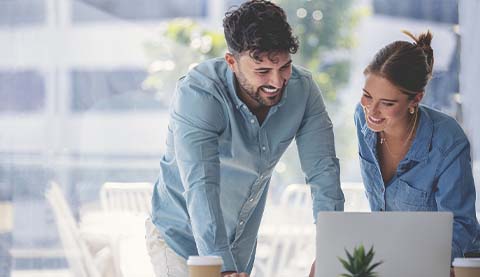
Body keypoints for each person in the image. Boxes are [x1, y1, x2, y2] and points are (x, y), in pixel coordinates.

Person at [145, 1, 344, 276]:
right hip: (180, 237)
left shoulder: (303, 91)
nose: (276, 81)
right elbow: (201, 184)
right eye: (262, 71)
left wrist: (331, 251)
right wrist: (221, 268)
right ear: (232, 62)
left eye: (284, 67)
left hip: (239, 243)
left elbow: (324, 172)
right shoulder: (198, 93)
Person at [354, 30, 479, 274]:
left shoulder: (447, 141)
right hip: (393, 261)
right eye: (368, 95)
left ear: (416, 100)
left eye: (387, 103)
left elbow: (460, 227)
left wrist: (419, 267)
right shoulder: (363, 119)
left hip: (452, 265)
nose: (372, 110)